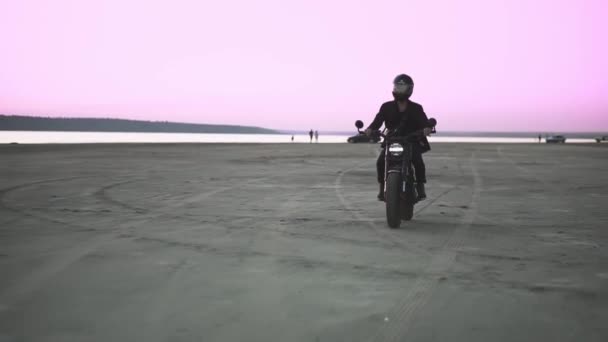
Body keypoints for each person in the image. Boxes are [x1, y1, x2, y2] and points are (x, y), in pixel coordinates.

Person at [364, 74, 432, 201]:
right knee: (380, 161)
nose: (399, 90)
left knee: (417, 160)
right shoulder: (386, 107)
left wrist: (427, 128)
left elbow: (424, 122)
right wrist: (369, 129)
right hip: (392, 140)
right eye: (397, 87)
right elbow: (377, 121)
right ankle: (382, 187)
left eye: (403, 87)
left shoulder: (416, 108)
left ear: (409, 89)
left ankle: (420, 185)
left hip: (411, 140)